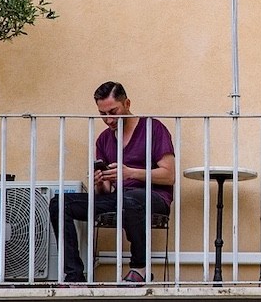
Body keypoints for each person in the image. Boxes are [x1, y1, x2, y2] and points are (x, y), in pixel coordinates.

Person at [49, 81, 176, 283]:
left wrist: (130, 173)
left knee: (130, 199)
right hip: (120, 198)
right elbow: (106, 192)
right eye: (102, 114)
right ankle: (74, 275)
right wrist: (100, 181)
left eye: (113, 112)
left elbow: (169, 175)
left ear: (127, 103)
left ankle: (140, 269)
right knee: (59, 203)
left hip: (153, 198)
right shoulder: (104, 139)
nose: (108, 120)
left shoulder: (153, 128)